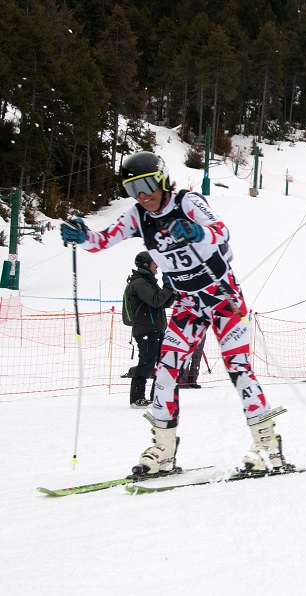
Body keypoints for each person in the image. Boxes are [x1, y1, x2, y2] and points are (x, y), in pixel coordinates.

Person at [60, 151, 289, 476]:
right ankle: (163, 452)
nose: (142, 195)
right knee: (166, 370)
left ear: (162, 179)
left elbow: (221, 231)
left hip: (222, 295)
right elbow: (103, 240)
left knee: (237, 367)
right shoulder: (138, 217)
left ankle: (267, 448)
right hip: (187, 304)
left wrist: (197, 232)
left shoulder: (186, 202)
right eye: (132, 189)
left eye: (147, 184)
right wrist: (82, 236)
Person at [125, 251, 175, 408]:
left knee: (162, 363)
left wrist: (171, 292)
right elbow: (155, 300)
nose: (157, 266)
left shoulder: (148, 282)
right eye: (155, 263)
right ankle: (136, 398)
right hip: (146, 330)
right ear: (147, 264)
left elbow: (163, 302)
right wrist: (167, 287)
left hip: (155, 329)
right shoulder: (139, 283)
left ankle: (157, 396)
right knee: (146, 363)